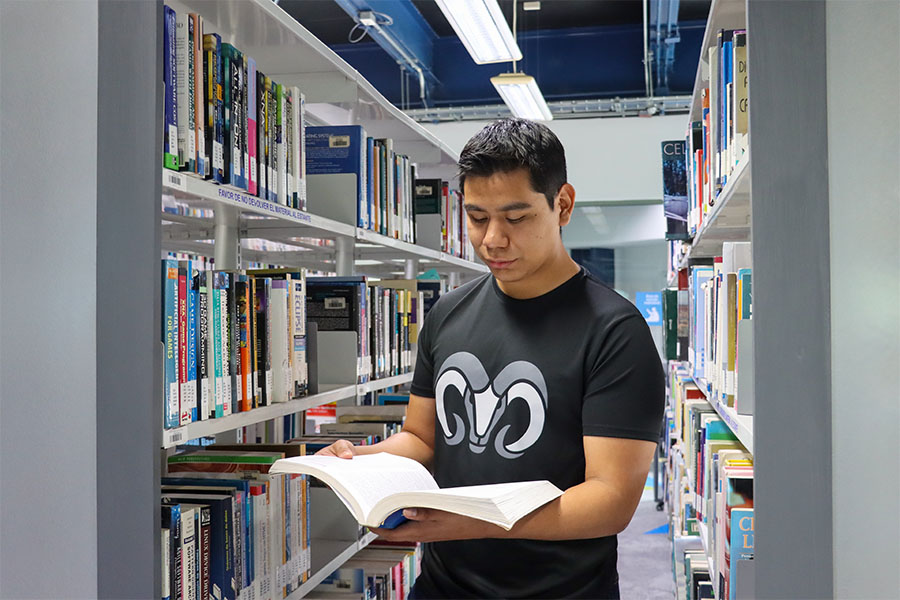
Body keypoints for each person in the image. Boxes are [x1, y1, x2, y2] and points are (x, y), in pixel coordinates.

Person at [318, 118, 665, 599]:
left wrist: (471, 523)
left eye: (516, 217)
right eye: (477, 217)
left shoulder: (615, 332)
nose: (492, 239)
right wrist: (358, 460)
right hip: (443, 586)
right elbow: (423, 439)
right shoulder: (446, 315)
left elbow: (611, 501)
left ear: (562, 205)